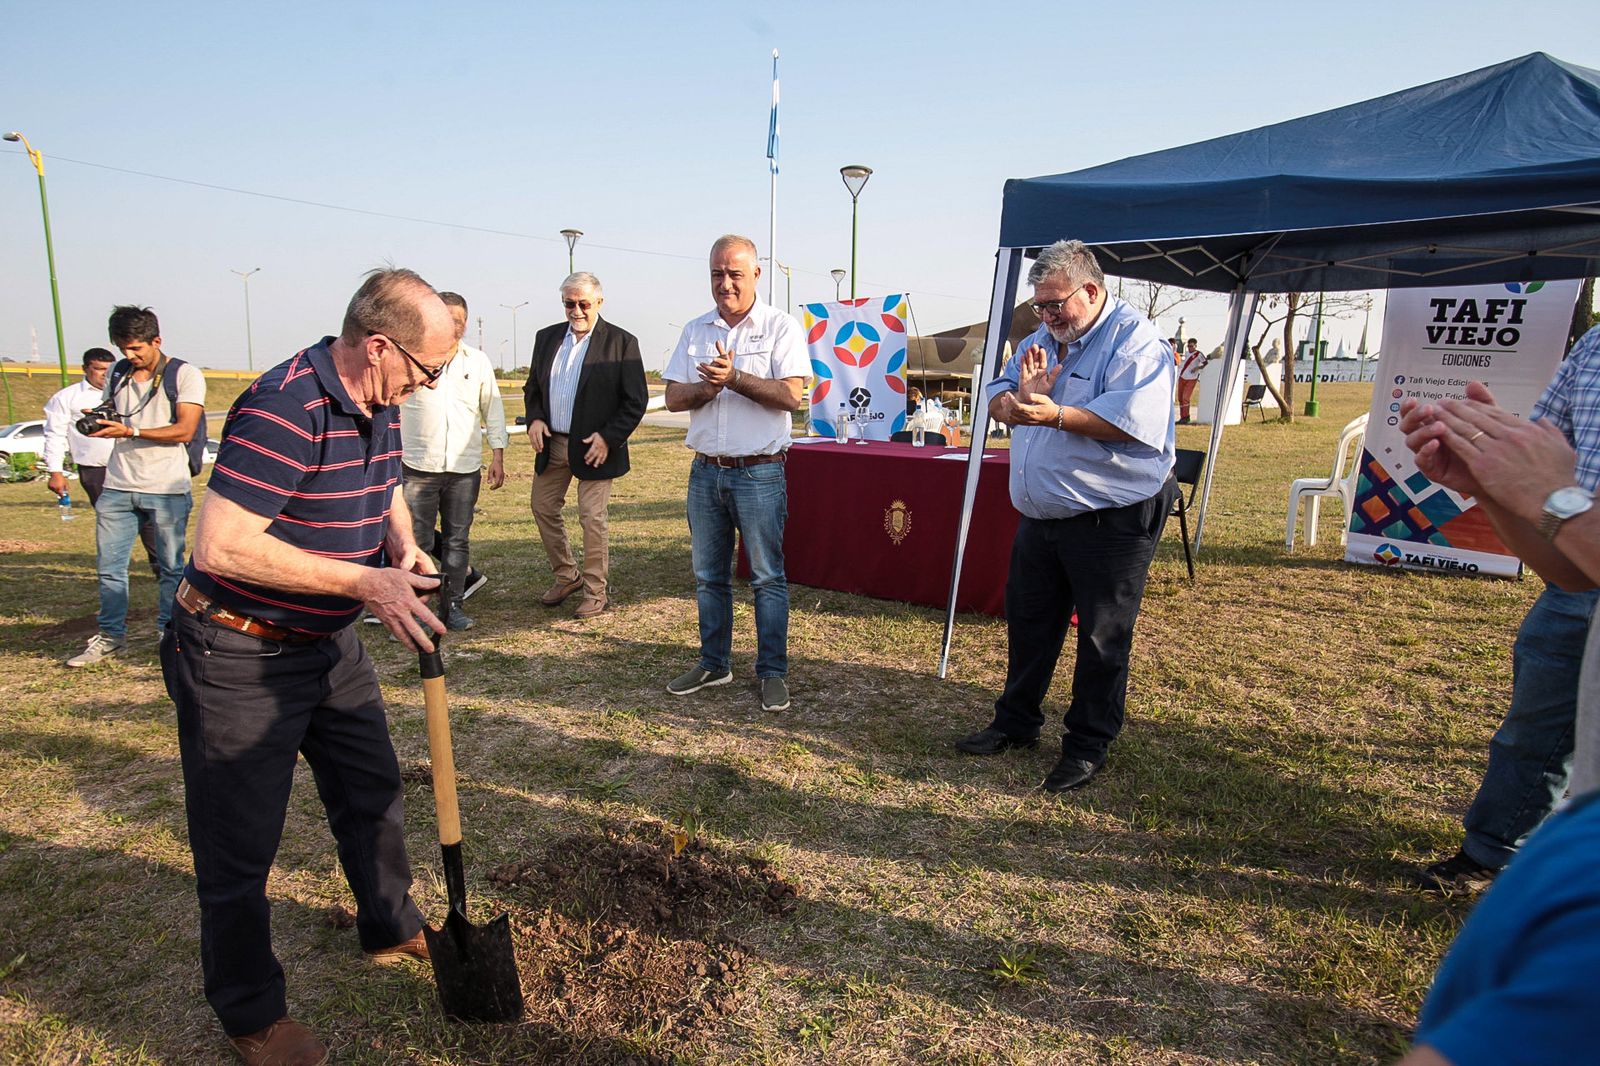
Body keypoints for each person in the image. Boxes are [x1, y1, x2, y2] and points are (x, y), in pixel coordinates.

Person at [160, 268, 456, 1066]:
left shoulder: (378, 400)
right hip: (236, 648)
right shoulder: (283, 408)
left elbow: (383, 486)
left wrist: (400, 546)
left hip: (327, 645)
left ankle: (390, 924)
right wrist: (365, 583)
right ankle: (252, 1015)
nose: (429, 386)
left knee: (372, 792)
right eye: (427, 371)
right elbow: (220, 547)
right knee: (238, 844)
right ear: (379, 346)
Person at [1395, 346, 1600, 1066]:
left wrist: (1556, 500)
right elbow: (1569, 568)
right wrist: (1491, 487)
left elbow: (1559, 507)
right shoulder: (1593, 349)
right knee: (1530, 734)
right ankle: (1491, 849)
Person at [955, 239, 1176, 792]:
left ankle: (1086, 745)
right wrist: (1013, 403)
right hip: (1042, 515)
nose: (1047, 317)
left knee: (1102, 637)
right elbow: (999, 392)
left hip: (1111, 516)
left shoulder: (1136, 343)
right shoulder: (1041, 339)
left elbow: (1129, 423)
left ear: (1092, 291)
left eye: (1056, 305)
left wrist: (1054, 415)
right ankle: (1016, 723)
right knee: (1030, 623)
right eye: (1040, 306)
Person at [662, 235, 808, 712]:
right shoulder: (695, 330)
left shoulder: (780, 327)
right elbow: (673, 397)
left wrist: (736, 379)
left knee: (766, 577)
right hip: (706, 472)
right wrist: (706, 389)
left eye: (734, 274)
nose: (725, 283)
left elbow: (791, 396)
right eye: (716, 274)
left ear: (756, 275)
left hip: (759, 474)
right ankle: (714, 663)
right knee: (708, 576)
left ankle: (772, 671)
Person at [66, 307, 206, 667]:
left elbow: (185, 430)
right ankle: (111, 637)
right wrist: (101, 420)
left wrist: (131, 430)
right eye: (122, 348)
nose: (129, 355)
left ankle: (169, 634)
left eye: (136, 348)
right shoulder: (118, 372)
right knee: (110, 568)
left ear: (156, 341)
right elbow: (116, 411)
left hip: (166, 487)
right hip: (118, 484)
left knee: (171, 568)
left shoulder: (184, 374)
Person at [523, 272, 647, 619]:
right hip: (553, 444)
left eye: (583, 304)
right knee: (542, 507)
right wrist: (535, 418)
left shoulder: (621, 342)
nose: (576, 311)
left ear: (599, 303)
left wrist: (609, 437)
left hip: (595, 448)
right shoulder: (546, 338)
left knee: (592, 518)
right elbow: (533, 388)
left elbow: (635, 401)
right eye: (569, 303)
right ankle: (567, 576)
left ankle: (595, 592)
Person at [400, 290, 507, 631]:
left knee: (457, 540)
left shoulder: (477, 361)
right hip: (418, 465)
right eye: (447, 318)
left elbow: (493, 409)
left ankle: (453, 605)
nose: (455, 325)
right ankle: (413, 610)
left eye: (459, 320)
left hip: (464, 469)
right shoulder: (411, 357)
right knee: (417, 542)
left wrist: (498, 454)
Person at [1176, 337, 1208, 423]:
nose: (1190, 348)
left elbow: (1205, 363)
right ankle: (1182, 417)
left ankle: (1186, 417)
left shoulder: (1198, 354)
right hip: (1182, 377)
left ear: (1195, 346)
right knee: (1180, 398)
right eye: (1188, 346)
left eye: (1191, 346)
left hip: (1191, 378)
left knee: (1185, 398)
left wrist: (1197, 368)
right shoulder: (1186, 353)